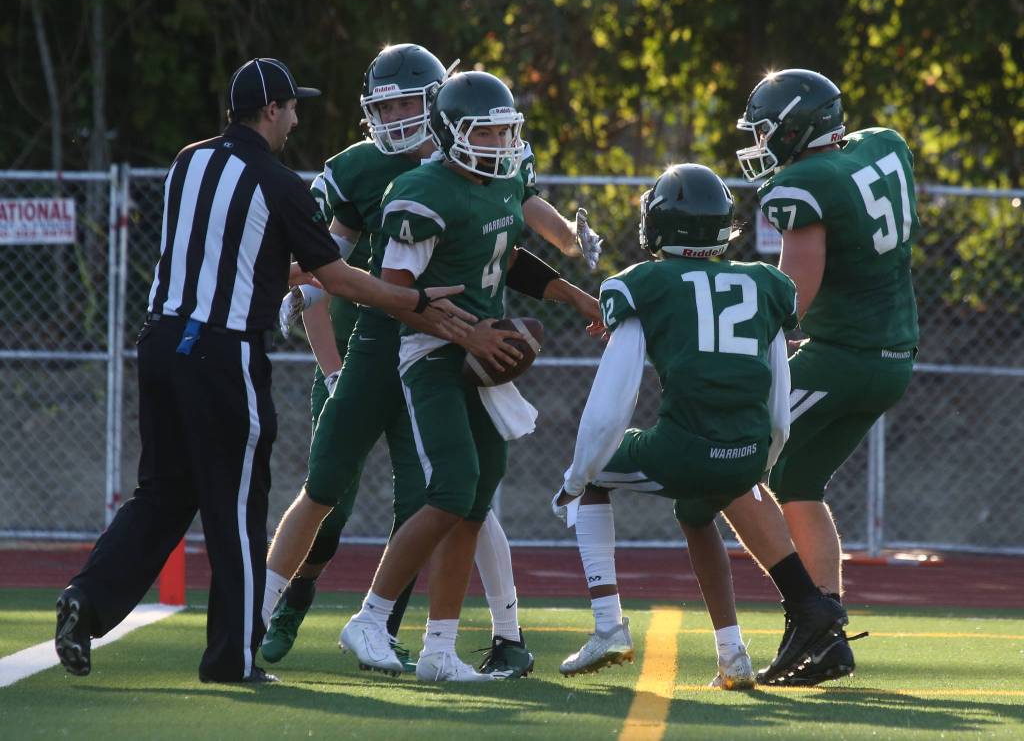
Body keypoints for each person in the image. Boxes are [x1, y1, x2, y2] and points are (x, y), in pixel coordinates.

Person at [53, 57, 472, 684]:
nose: (297, 120)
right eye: (293, 108)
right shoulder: (278, 183)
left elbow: (234, 252)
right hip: (222, 353)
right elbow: (337, 278)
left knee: (162, 494)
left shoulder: (187, 162)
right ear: (271, 109)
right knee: (239, 509)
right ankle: (232, 658)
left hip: (160, 342)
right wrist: (413, 299)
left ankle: (85, 601)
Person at [260, 45, 600, 679]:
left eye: (405, 104)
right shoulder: (384, 177)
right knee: (340, 484)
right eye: (383, 107)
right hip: (393, 342)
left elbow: (505, 253)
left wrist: (574, 281)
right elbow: (346, 266)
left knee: (466, 495)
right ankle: (271, 613)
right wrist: (305, 295)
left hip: (460, 343)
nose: (393, 118)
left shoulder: (493, 170)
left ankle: (460, 638)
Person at [552, 163, 848, 688]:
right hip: (748, 452)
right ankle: (733, 657)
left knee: (594, 479)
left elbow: (613, 399)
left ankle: (607, 626)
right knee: (695, 512)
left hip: (685, 449)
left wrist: (578, 475)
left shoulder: (644, 283)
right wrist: (759, 463)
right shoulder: (764, 283)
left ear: (659, 224)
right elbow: (777, 392)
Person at [729, 67, 918, 685]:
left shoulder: (803, 183)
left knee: (723, 459)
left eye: (766, 130)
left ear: (794, 128)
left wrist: (735, 341)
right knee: (798, 481)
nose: (760, 143)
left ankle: (809, 614)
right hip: (892, 356)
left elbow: (794, 294)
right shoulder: (883, 144)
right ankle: (828, 639)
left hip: (843, 356)